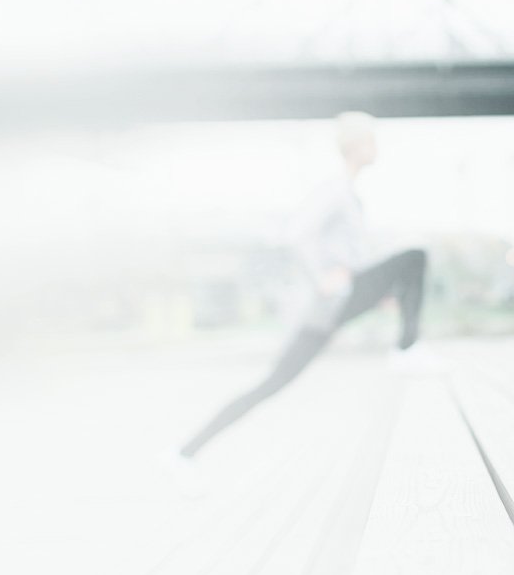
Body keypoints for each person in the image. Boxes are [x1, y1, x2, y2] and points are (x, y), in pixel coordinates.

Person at [176, 112, 430, 461]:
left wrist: (385, 293)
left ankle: (184, 453)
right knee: (415, 256)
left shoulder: (349, 194)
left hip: (334, 304)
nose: (377, 148)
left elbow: (350, 259)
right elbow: (296, 234)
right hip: (333, 301)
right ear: (355, 146)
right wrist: (321, 276)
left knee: (272, 383)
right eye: (371, 141)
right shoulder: (335, 190)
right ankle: (405, 349)